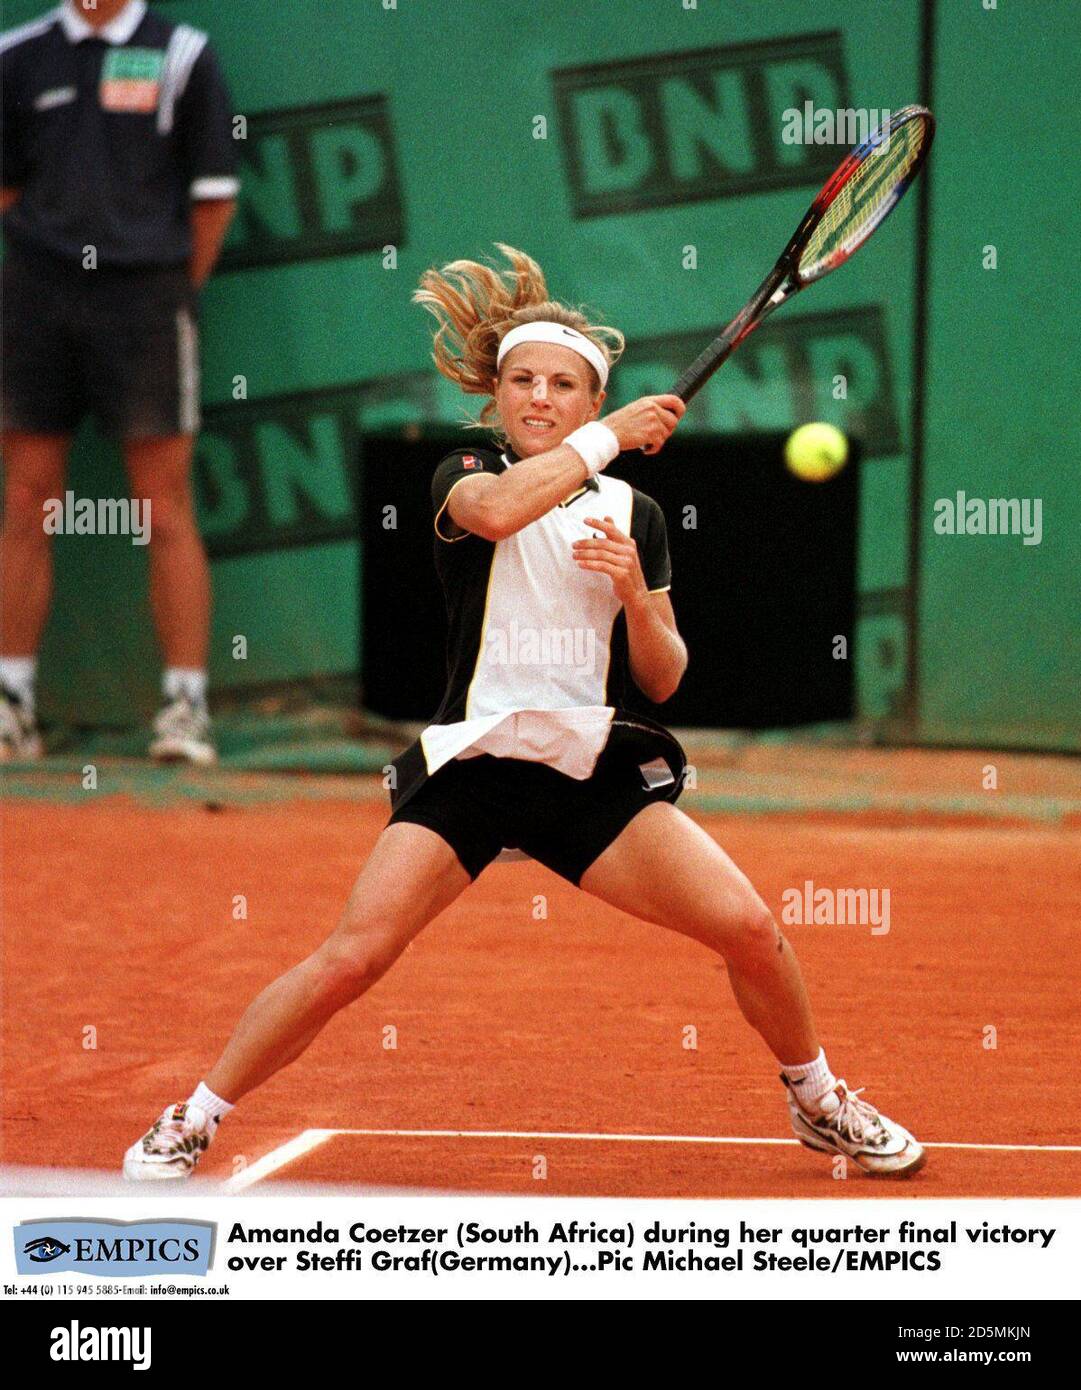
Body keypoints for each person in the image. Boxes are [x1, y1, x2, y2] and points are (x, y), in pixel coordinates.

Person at [123, 245, 924, 1182]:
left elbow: (665, 678)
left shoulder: (633, 513)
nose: (539, 398)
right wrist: (612, 437)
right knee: (352, 960)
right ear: (496, 397)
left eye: (563, 386)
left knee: (751, 930)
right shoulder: (463, 473)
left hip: (585, 775)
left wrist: (635, 594)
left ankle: (818, 1100)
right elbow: (501, 512)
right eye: (521, 381)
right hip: (472, 770)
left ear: (589, 399)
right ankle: (193, 1114)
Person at [0, 0, 238, 763]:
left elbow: (213, 198)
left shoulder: (184, 54)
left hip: (146, 302)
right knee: (26, 495)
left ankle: (185, 708)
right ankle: (11, 705)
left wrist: (167, 288)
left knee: (162, 507)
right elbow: (7, 189)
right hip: (35, 296)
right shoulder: (18, 54)